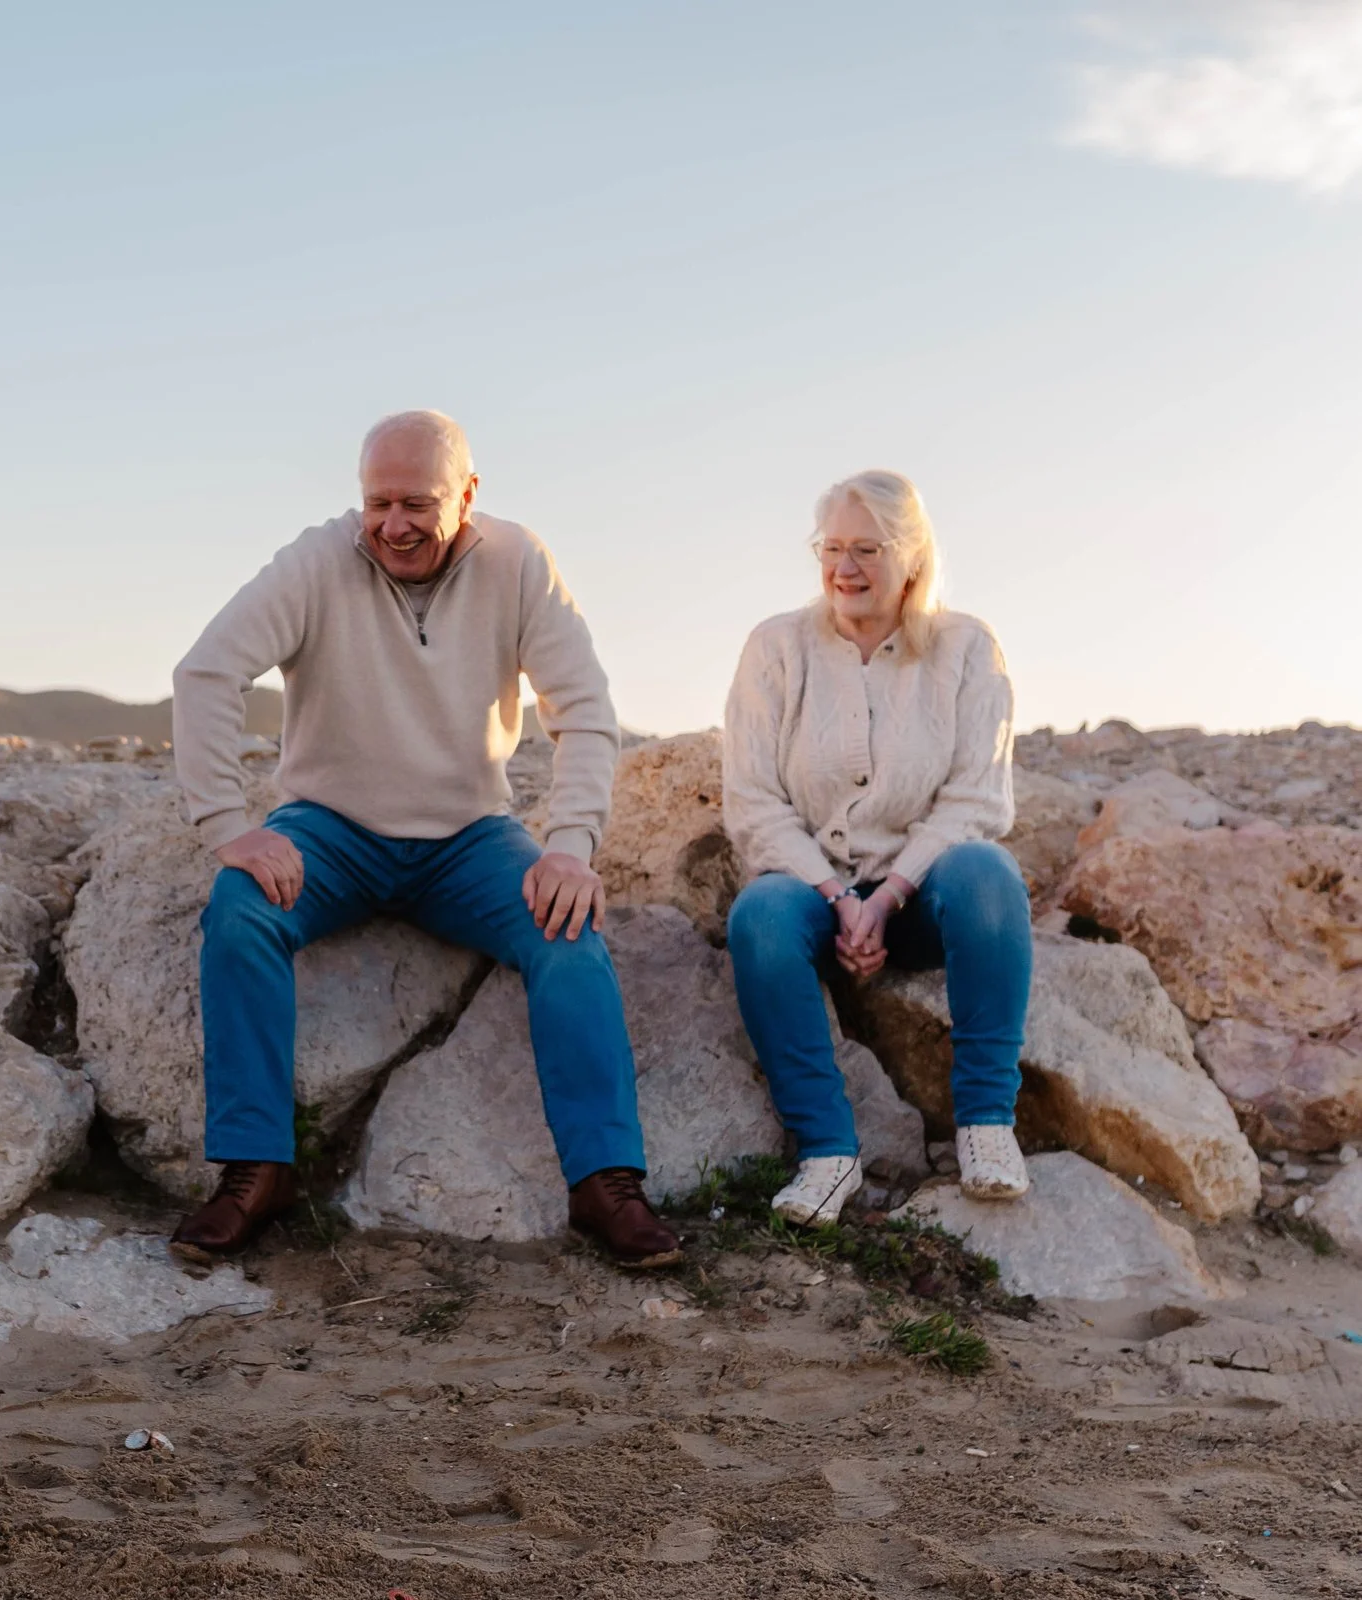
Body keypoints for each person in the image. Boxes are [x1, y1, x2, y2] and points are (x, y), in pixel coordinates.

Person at [169, 411, 680, 1268]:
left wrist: (570, 843)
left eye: (417, 503)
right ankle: (254, 1169)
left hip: (468, 840)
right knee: (240, 910)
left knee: (570, 931)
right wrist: (230, 827)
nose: (393, 524)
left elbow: (585, 711)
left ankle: (606, 1184)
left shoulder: (520, 563)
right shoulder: (316, 559)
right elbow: (206, 669)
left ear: (468, 495)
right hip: (330, 830)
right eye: (377, 502)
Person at [721, 469, 1030, 1225]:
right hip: (810, 891)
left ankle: (987, 1125)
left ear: (913, 559)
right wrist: (837, 898)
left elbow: (976, 800)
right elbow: (754, 800)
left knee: (989, 873)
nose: (844, 569)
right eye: (831, 548)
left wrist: (889, 896)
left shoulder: (966, 648)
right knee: (758, 916)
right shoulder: (776, 647)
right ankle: (827, 1153)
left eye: (867, 549)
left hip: (923, 895)